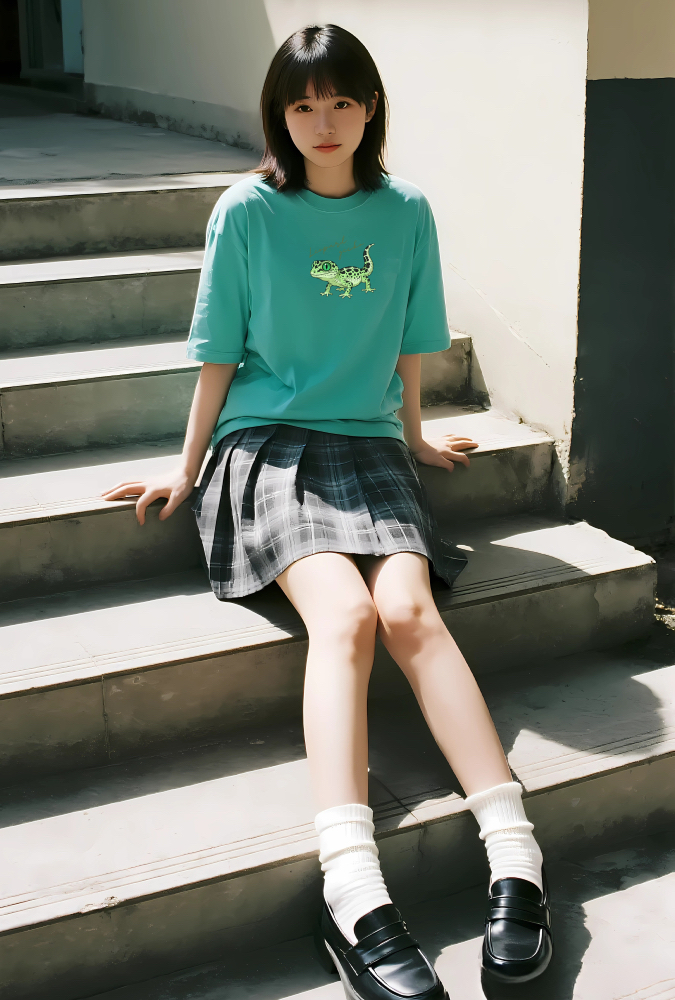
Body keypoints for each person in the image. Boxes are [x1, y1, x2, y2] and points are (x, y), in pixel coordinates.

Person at [103, 23, 552, 999]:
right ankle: (351, 887)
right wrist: (186, 468)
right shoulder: (247, 211)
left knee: (409, 610)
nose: (323, 122)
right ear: (280, 113)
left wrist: (415, 433)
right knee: (344, 616)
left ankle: (516, 854)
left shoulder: (406, 210)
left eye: (342, 101)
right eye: (303, 105)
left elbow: (412, 337)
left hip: (368, 444)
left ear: (371, 107)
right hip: (264, 445)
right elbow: (219, 352)